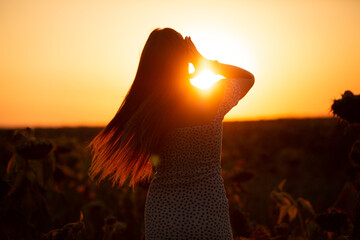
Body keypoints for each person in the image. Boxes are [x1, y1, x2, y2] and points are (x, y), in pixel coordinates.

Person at [88, 27, 254, 239]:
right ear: (183, 57)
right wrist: (204, 62)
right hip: (209, 212)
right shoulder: (211, 99)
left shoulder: (147, 113)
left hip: (164, 214)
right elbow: (247, 78)